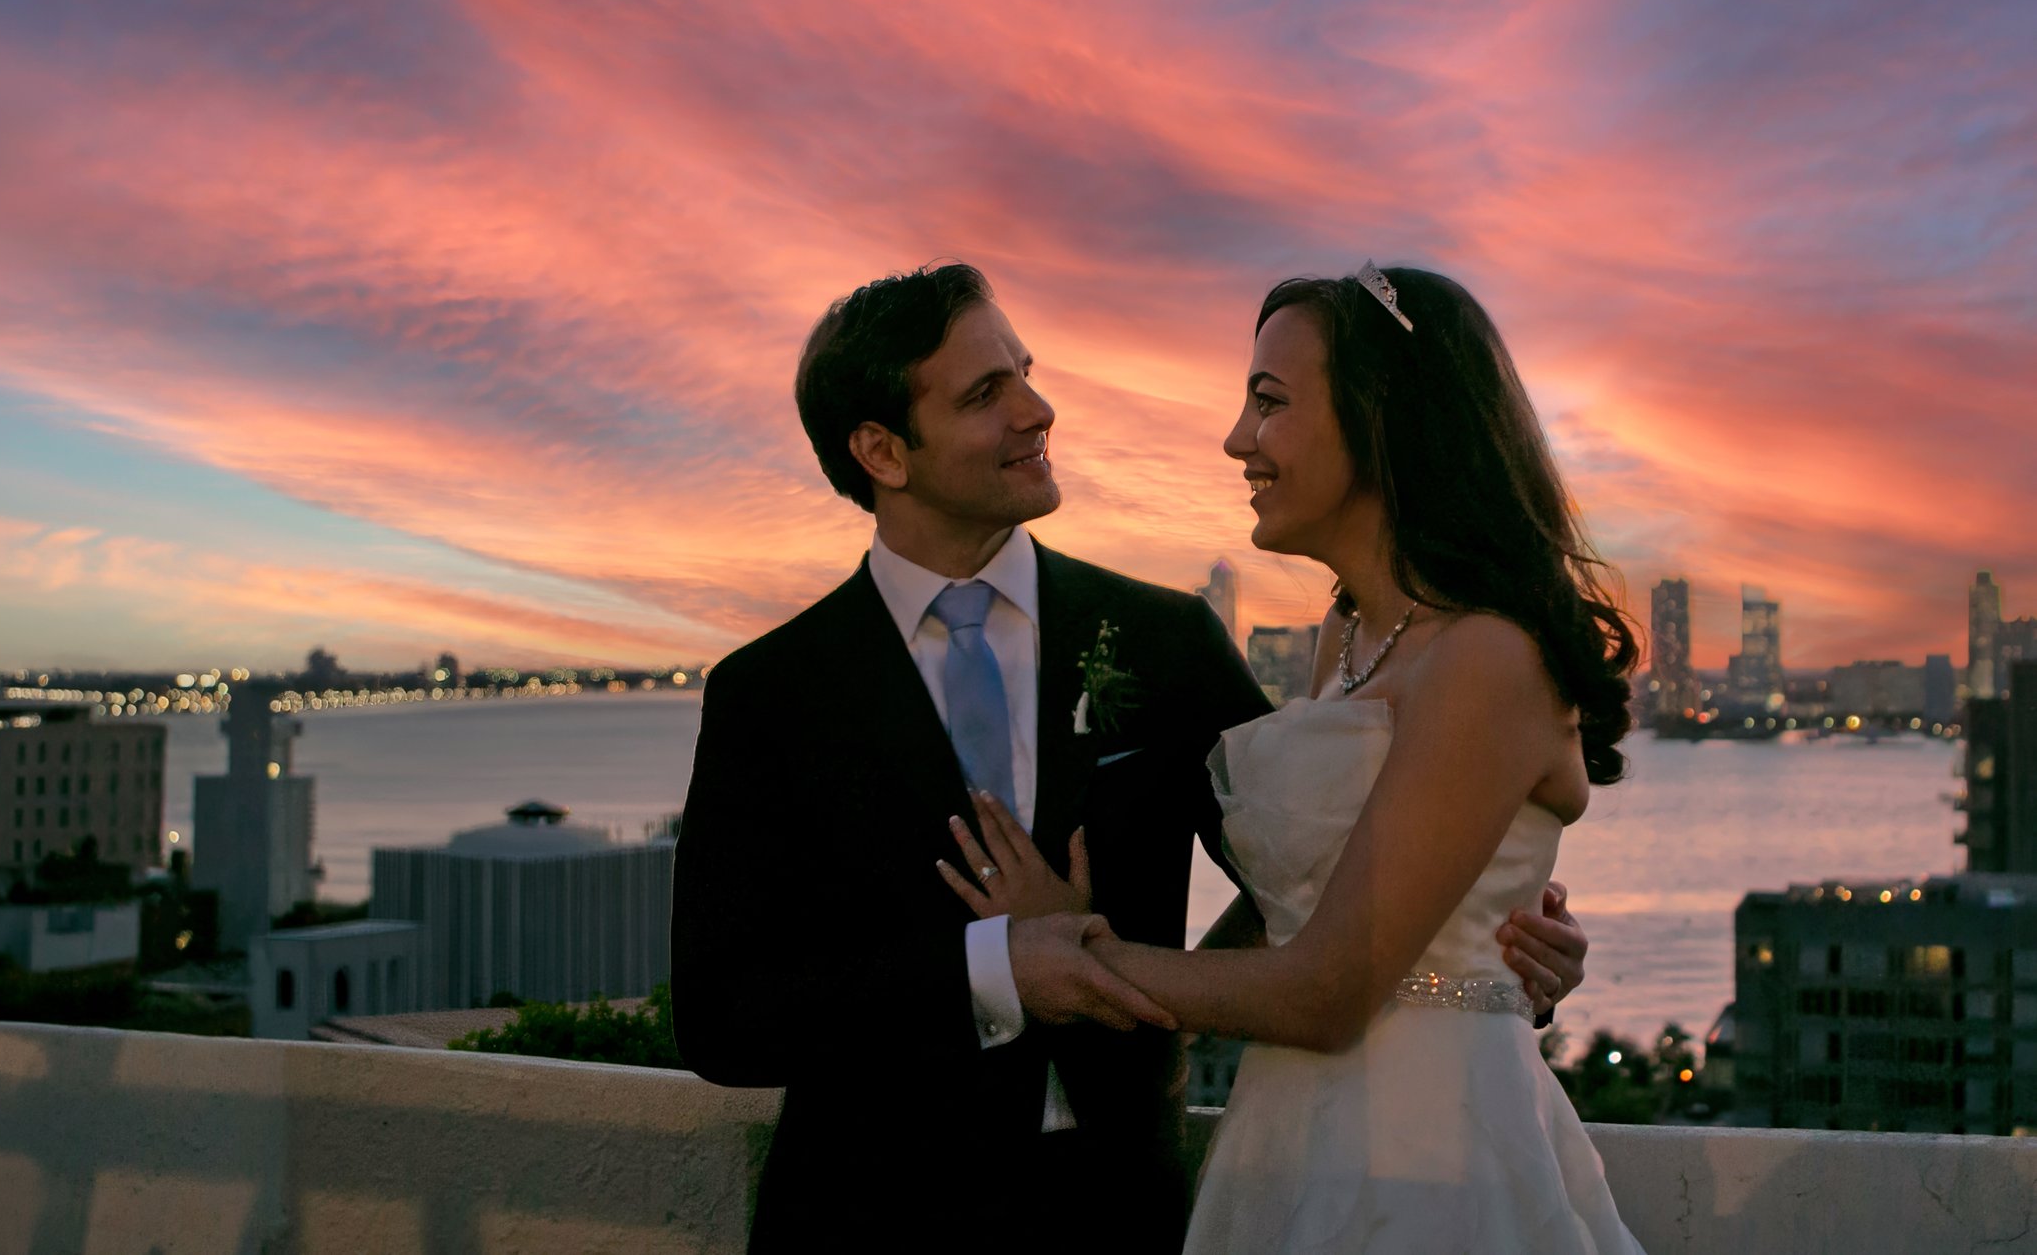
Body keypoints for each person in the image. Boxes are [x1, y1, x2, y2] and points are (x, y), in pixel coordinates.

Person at [670, 263, 1592, 1251]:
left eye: (1025, 371)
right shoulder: (770, 691)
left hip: (1123, 1215)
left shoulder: (1165, 639)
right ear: (882, 449)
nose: (1039, 409)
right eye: (988, 392)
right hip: (863, 1219)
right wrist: (998, 966)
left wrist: (1479, 940)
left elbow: (1306, 879)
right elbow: (725, 1017)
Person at [951, 264, 1646, 1253]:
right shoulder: (1349, 637)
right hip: (1290, 1127)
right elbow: (1300, 904)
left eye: (1268, 401)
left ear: (1380, 419)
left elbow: (1324, 989)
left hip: (1427, 1146)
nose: (1237, 437)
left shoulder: (1488, 653)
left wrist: (1076, 961)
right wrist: (1095, 935)